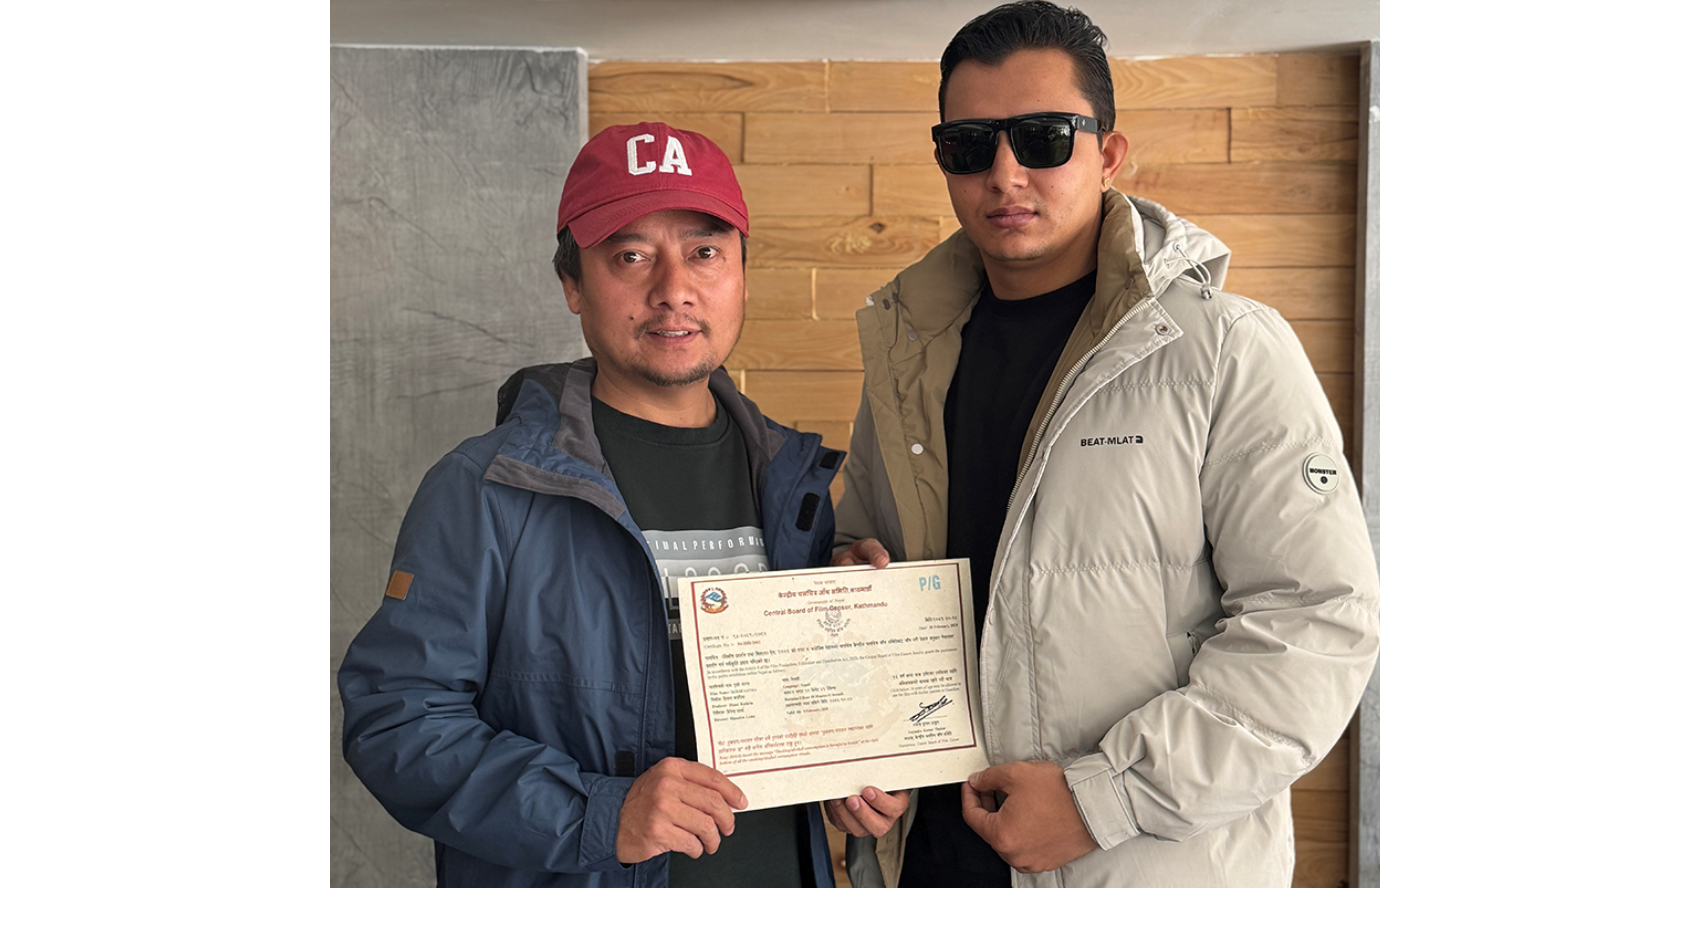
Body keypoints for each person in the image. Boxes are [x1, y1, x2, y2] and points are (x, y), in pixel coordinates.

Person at [824, 1, 1380, 887]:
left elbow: (1316, 619)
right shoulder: (906, 359)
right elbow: (863, 561)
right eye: (969, 146)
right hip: (926, 864)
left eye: (1043, 138)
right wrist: (855, 740)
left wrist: (1102, 799)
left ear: (1109, 153)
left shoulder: (1227, 349)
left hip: (1135, 869)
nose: (1005, 173)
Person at [338, 122, 844, 888]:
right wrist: (596, 813)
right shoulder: (485, 488)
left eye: (705, 252)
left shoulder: (795, 485)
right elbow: (397, 720)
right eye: (631, 255)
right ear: (573, 284)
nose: (673, 288)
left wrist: (857, 771)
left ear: (743, 272)